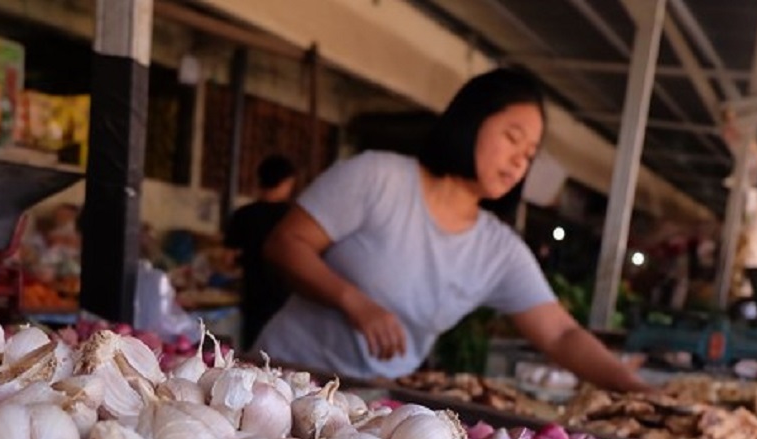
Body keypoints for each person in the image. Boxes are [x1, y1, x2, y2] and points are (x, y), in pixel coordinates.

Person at [252, 68, 649, 392]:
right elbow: (286, 243)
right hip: (281, 379)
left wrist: (638, 391)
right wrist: (354, 302)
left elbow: (561, 334)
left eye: (529, 155)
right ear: (472, 120)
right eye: (512, 139)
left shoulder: (499, 250)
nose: (518, 163)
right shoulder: (379, 177)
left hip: (364, 406)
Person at [226, 154, 298, 349]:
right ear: (288, 182)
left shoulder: (243, 214)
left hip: (253, 295)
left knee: (253, 352)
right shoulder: (293, 218)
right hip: (288, 297)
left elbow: (229, 259)